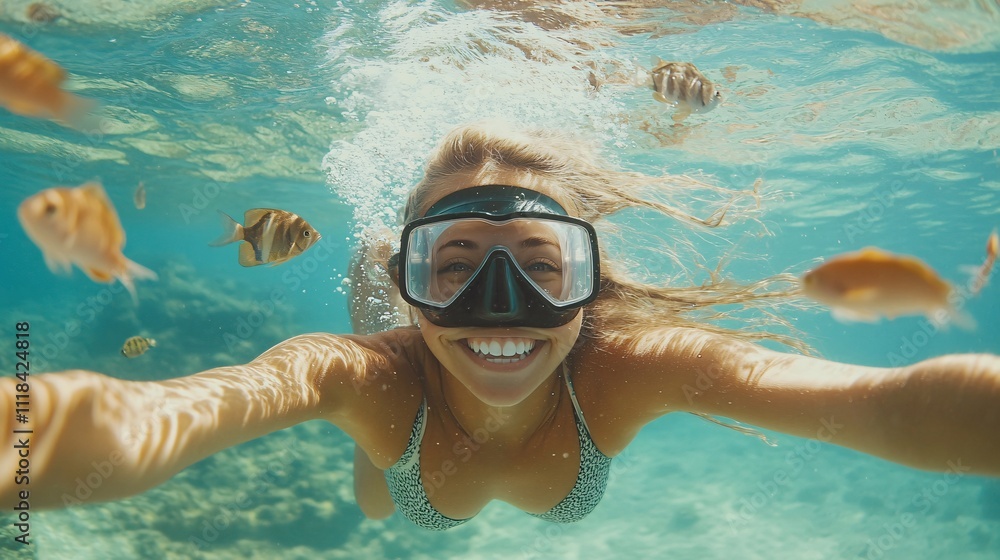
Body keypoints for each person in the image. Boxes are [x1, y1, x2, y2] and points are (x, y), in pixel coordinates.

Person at [2, 122, 999, 531]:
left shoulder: (629, 364)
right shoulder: (356, 377)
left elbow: (891, 406)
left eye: (537, 266)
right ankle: (379, 295)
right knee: (376, 481)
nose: (499, 308)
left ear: (592, 281)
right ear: (419, 278)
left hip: (430, 371)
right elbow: (139, 418)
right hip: (401, 443)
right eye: (455, 266)